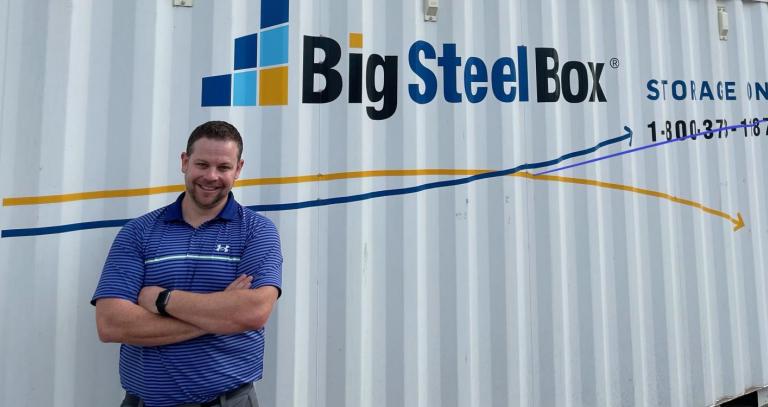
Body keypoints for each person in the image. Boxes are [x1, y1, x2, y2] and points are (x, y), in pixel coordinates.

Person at [91, 121, 282, 407]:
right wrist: (221, 313)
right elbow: (111, 323)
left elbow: (253, 312)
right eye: (202, 164)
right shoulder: (139, 231)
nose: (211, 176)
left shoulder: (256, 231)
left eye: (224, 167)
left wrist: (162, 299)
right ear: (184, 162)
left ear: (239, 169)